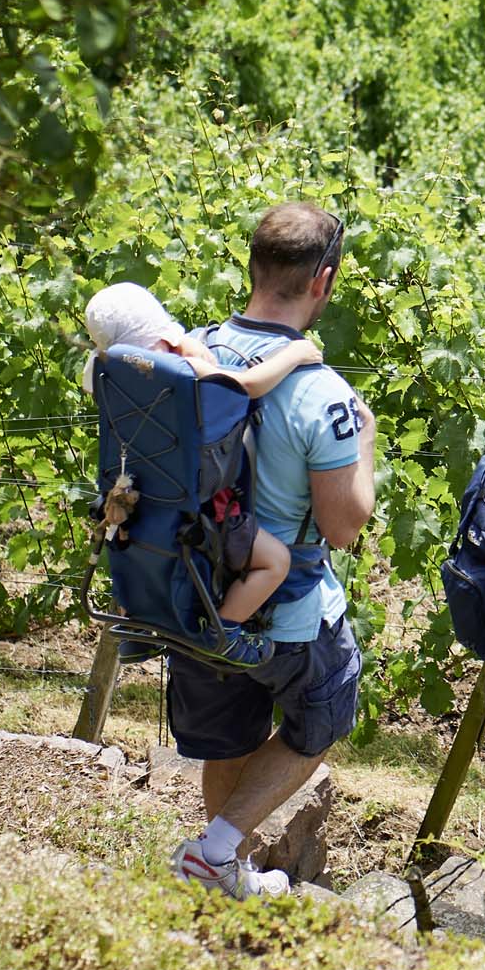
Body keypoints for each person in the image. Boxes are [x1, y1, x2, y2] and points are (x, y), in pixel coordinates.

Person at [166, 203, 373, 900]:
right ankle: (218, 850)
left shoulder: (187, 354)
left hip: (189, 593)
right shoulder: (323, 395)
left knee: (228, 734)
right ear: (324, 281)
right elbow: (344, 527)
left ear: (252, 266)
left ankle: (223, 872)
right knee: (329, 706)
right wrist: (365, 439)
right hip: (281, 613)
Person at [83, 281, 315, 626]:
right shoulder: (186, 373)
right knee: (276, 562)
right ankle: (222, 632)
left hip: (142, 499)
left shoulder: (103, 374)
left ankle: (138, 621)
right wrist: (298, 353)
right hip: (203, 510)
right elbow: (248, 385)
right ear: (170, 343)